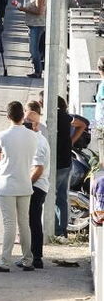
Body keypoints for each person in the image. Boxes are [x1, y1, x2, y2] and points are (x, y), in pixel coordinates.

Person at [0, 101, 37, 272]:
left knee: (9, 224)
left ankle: (4, 262)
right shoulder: (32, 136)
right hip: (25, 183)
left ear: (8, 116)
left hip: (7, 184)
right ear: (23, 115)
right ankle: (27, 260)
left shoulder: (2, 135)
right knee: (24, 223)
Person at [54, 97, 88, 242]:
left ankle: (55, 229)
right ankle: (61, 231)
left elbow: (83, 124)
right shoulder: (66, 117)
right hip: (66, 161)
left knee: (52, 197)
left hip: (57, 162)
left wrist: (71, 140)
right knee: (62, 196)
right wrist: (71, 141)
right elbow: (84, 123)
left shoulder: (56, 116)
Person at [24, 105, 50, 269]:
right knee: (32, 221)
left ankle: (35, 257)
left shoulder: (38, 141)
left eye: (27, 122)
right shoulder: (34, 139)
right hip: (37, 185)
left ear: (36, 125)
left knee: (32, 222)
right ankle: (34, 256)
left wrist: (26, 185)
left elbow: (38, 168)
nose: (24, 125)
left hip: (36, 186)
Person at [12, 0, 47, 79]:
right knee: (33, 49)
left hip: (37, 25)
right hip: (32, 25)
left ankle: (38, 71)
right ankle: (37, 70)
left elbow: (39, 11)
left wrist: (23, 9)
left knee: (33, 50)